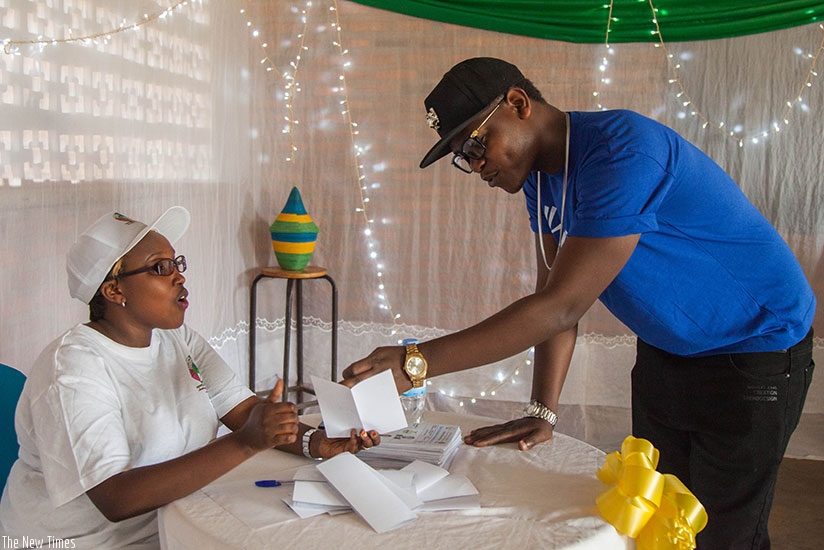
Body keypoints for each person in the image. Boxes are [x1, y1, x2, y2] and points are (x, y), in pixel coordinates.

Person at [342, 57, 816, 549]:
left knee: (722, 534)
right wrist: (543, 411)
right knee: (655, 516)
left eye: (477, 144)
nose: (476, 164)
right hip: (667, 351)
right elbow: (553, 300)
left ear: (519, 104)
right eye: (464, 155)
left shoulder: (622, 150)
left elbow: (561, 308)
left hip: (754, 351)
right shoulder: (541, 182)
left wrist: (415, 362)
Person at [0, 207, 380, 548]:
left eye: (177, 263)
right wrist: (246, 443)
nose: (179, 276)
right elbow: (116, 499)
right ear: (114, 290)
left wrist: (316, 443)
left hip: (171, 525)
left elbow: (243, 408)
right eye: (160, 268)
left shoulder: (175, 337)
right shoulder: (72, 370)